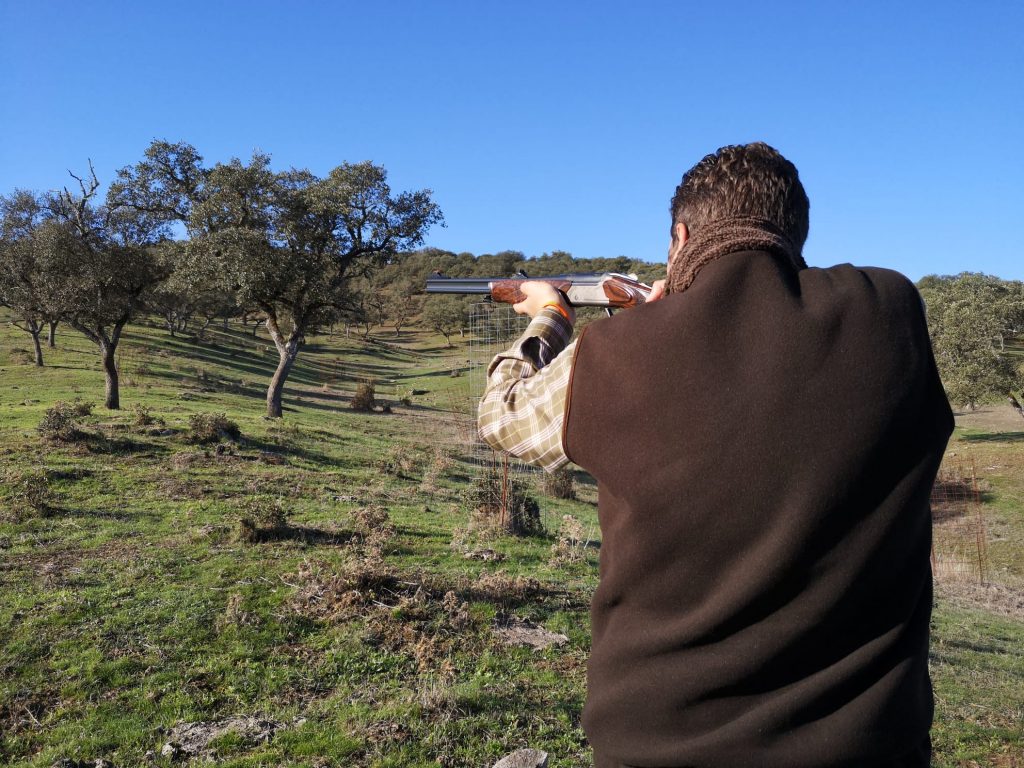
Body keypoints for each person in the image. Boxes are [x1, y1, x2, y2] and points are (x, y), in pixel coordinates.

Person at [477, 142, 953, 768]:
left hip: (657, 747)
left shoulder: (619, 353)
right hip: (872, 745)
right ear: (794, 231)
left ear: (679, 236)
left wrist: (549, 316)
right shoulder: (890, 309)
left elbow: (501, 415)